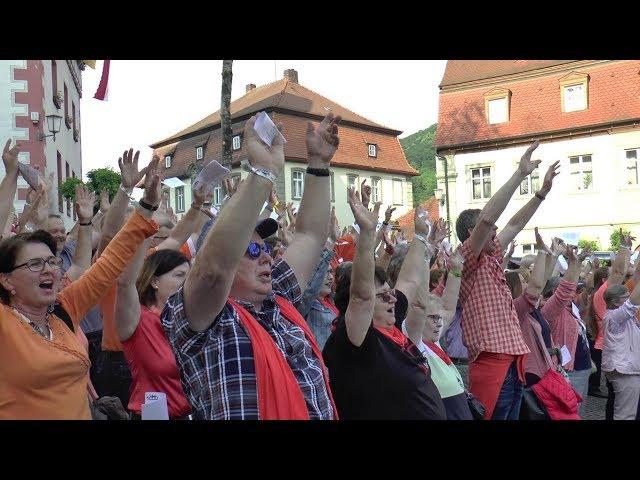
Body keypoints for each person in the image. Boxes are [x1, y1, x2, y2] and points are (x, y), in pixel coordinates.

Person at [162, 113, 341, 420]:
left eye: (267, 247)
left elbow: (310, 235)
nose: (268, 257)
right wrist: (262, 172)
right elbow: (213, 268)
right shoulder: (205, 318)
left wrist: (319, 165)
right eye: (252, 248)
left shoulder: (277, 300)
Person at [0, 154, 161, 419]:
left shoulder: (64, 308)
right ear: (7, 280)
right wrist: (10, 176)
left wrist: (147, 205)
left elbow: (108, 263)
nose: (50, 269)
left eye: (52, 261)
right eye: (35, 264)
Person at [455, 141, 560, 420]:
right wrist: (519, 174)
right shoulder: (467, 259)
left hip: (512, 362)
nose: (497, 232)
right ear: (471, 232)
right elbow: (489, 219)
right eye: (489, 230)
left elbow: (513, 224)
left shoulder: (489, 256)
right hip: (491, 362)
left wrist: (540, 194)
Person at [323, 194, 446, 420]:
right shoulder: (355, 339)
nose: (393, 299)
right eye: (383, 296)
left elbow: (409, 280)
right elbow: (361, 296)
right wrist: (368, 234)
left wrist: (420, 236)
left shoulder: (389, 322)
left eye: (390, 293)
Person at [115, 248, 192, 419]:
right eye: (180, 275)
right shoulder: (138, 319)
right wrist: (144, 225)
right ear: (155, 281)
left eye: (190, 277)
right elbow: (125, 283)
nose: (188, 283)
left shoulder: (193, 323)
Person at [403, 249, 471, 419]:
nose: (439, 323)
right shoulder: (414, 340)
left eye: (439, 318)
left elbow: (448, 307)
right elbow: (419, 305)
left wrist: (456, 270)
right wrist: (425, 257)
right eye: (433, 318)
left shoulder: (434, 342)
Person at [589, 236, 633, 398]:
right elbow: (619, 271)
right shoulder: (604, 293)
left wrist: (627, 250)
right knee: (617, 399)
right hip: (611, 347)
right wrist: (624, 248)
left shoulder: (604, 293)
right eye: (609, 275)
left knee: (615, 398)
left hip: (611, 345)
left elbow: (626, 274)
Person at [602, 259, 640, 420]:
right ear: (615, 302)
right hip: (624, 372)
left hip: (625, 369)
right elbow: (632, 304)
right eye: (625, 297)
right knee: (625, 415)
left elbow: (632, 299)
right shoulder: (615, 317)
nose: (629, 298)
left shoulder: (619, 316)